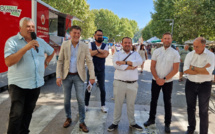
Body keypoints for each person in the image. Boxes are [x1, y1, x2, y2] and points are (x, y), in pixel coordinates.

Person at [4, 17, 54, 134]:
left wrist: (45, 63)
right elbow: (8, 62)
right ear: (20, 28)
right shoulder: (12, 41)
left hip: (35, 84)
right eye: (28, 26)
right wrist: (26, 48)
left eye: (32, 27)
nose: (31, 29)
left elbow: (52, 52)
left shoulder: (40, 41)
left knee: (28, 113)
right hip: (18, 85)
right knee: (16, 116)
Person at [56, 25, 95, 133]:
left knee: (81, 100)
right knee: (66, 100)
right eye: (74, 33)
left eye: (78, 33)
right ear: (70, 33)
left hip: (79, 76)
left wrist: (92, 76)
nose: (76, 35)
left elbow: (89, 62)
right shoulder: (65, 44)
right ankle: (68, 118)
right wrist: (58, 76)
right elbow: (60, 61)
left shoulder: (84, 46)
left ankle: (82, 122)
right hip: (66, 76)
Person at [143, 32, 180, 133]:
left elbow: (176, 69)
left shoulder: (175, 53)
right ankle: (151, 119)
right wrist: (157, 78)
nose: (167, 40)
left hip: (168, 81)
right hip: (155, 80)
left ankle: (167, 123)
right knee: (153, 101)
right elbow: (152, 66)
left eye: (169, 38)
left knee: (167, 102)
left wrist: (163, 79)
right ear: (162, 40)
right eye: (165, 38)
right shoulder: (156, 51)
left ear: (171, 40)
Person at [107, 37, 143, 132]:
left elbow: (140, 62)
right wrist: (130, 66)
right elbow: (116, 65)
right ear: (122, 44)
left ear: (131, 44)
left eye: (129, 43)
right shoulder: (117, 54)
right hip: (119, 83)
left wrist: (125, 62)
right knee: (118, 104)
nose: (127, 44)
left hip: (133, 84)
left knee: (131, 105)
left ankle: (132, 123)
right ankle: (115, 122)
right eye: (125, 42)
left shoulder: (135, 54)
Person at [183, 37, 215, 134]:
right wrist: (202, 69)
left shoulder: (211, 55)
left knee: (203, 110)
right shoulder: (190, 54)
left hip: (204, 85)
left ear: (204, 45)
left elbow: (208, 72)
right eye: (194, 46)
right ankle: (191, 128)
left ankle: (203, 132)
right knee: (190, 107)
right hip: (190, 84)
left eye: (197, 47)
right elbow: (185, 69)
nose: (195, 49)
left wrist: (193, 68)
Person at [85, 29, 109, 112]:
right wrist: (99, 51)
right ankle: (86, 105)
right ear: (94, 36)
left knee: (102, 88)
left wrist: (95, 53)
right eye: (98, 35)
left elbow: (105, 55)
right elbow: (89, 54)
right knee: (89, 87)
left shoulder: (105, 45)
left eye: (101, 35)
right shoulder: (90, 44)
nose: (100, 36)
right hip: (91, 69)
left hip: (101, 70)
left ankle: (103, 105)